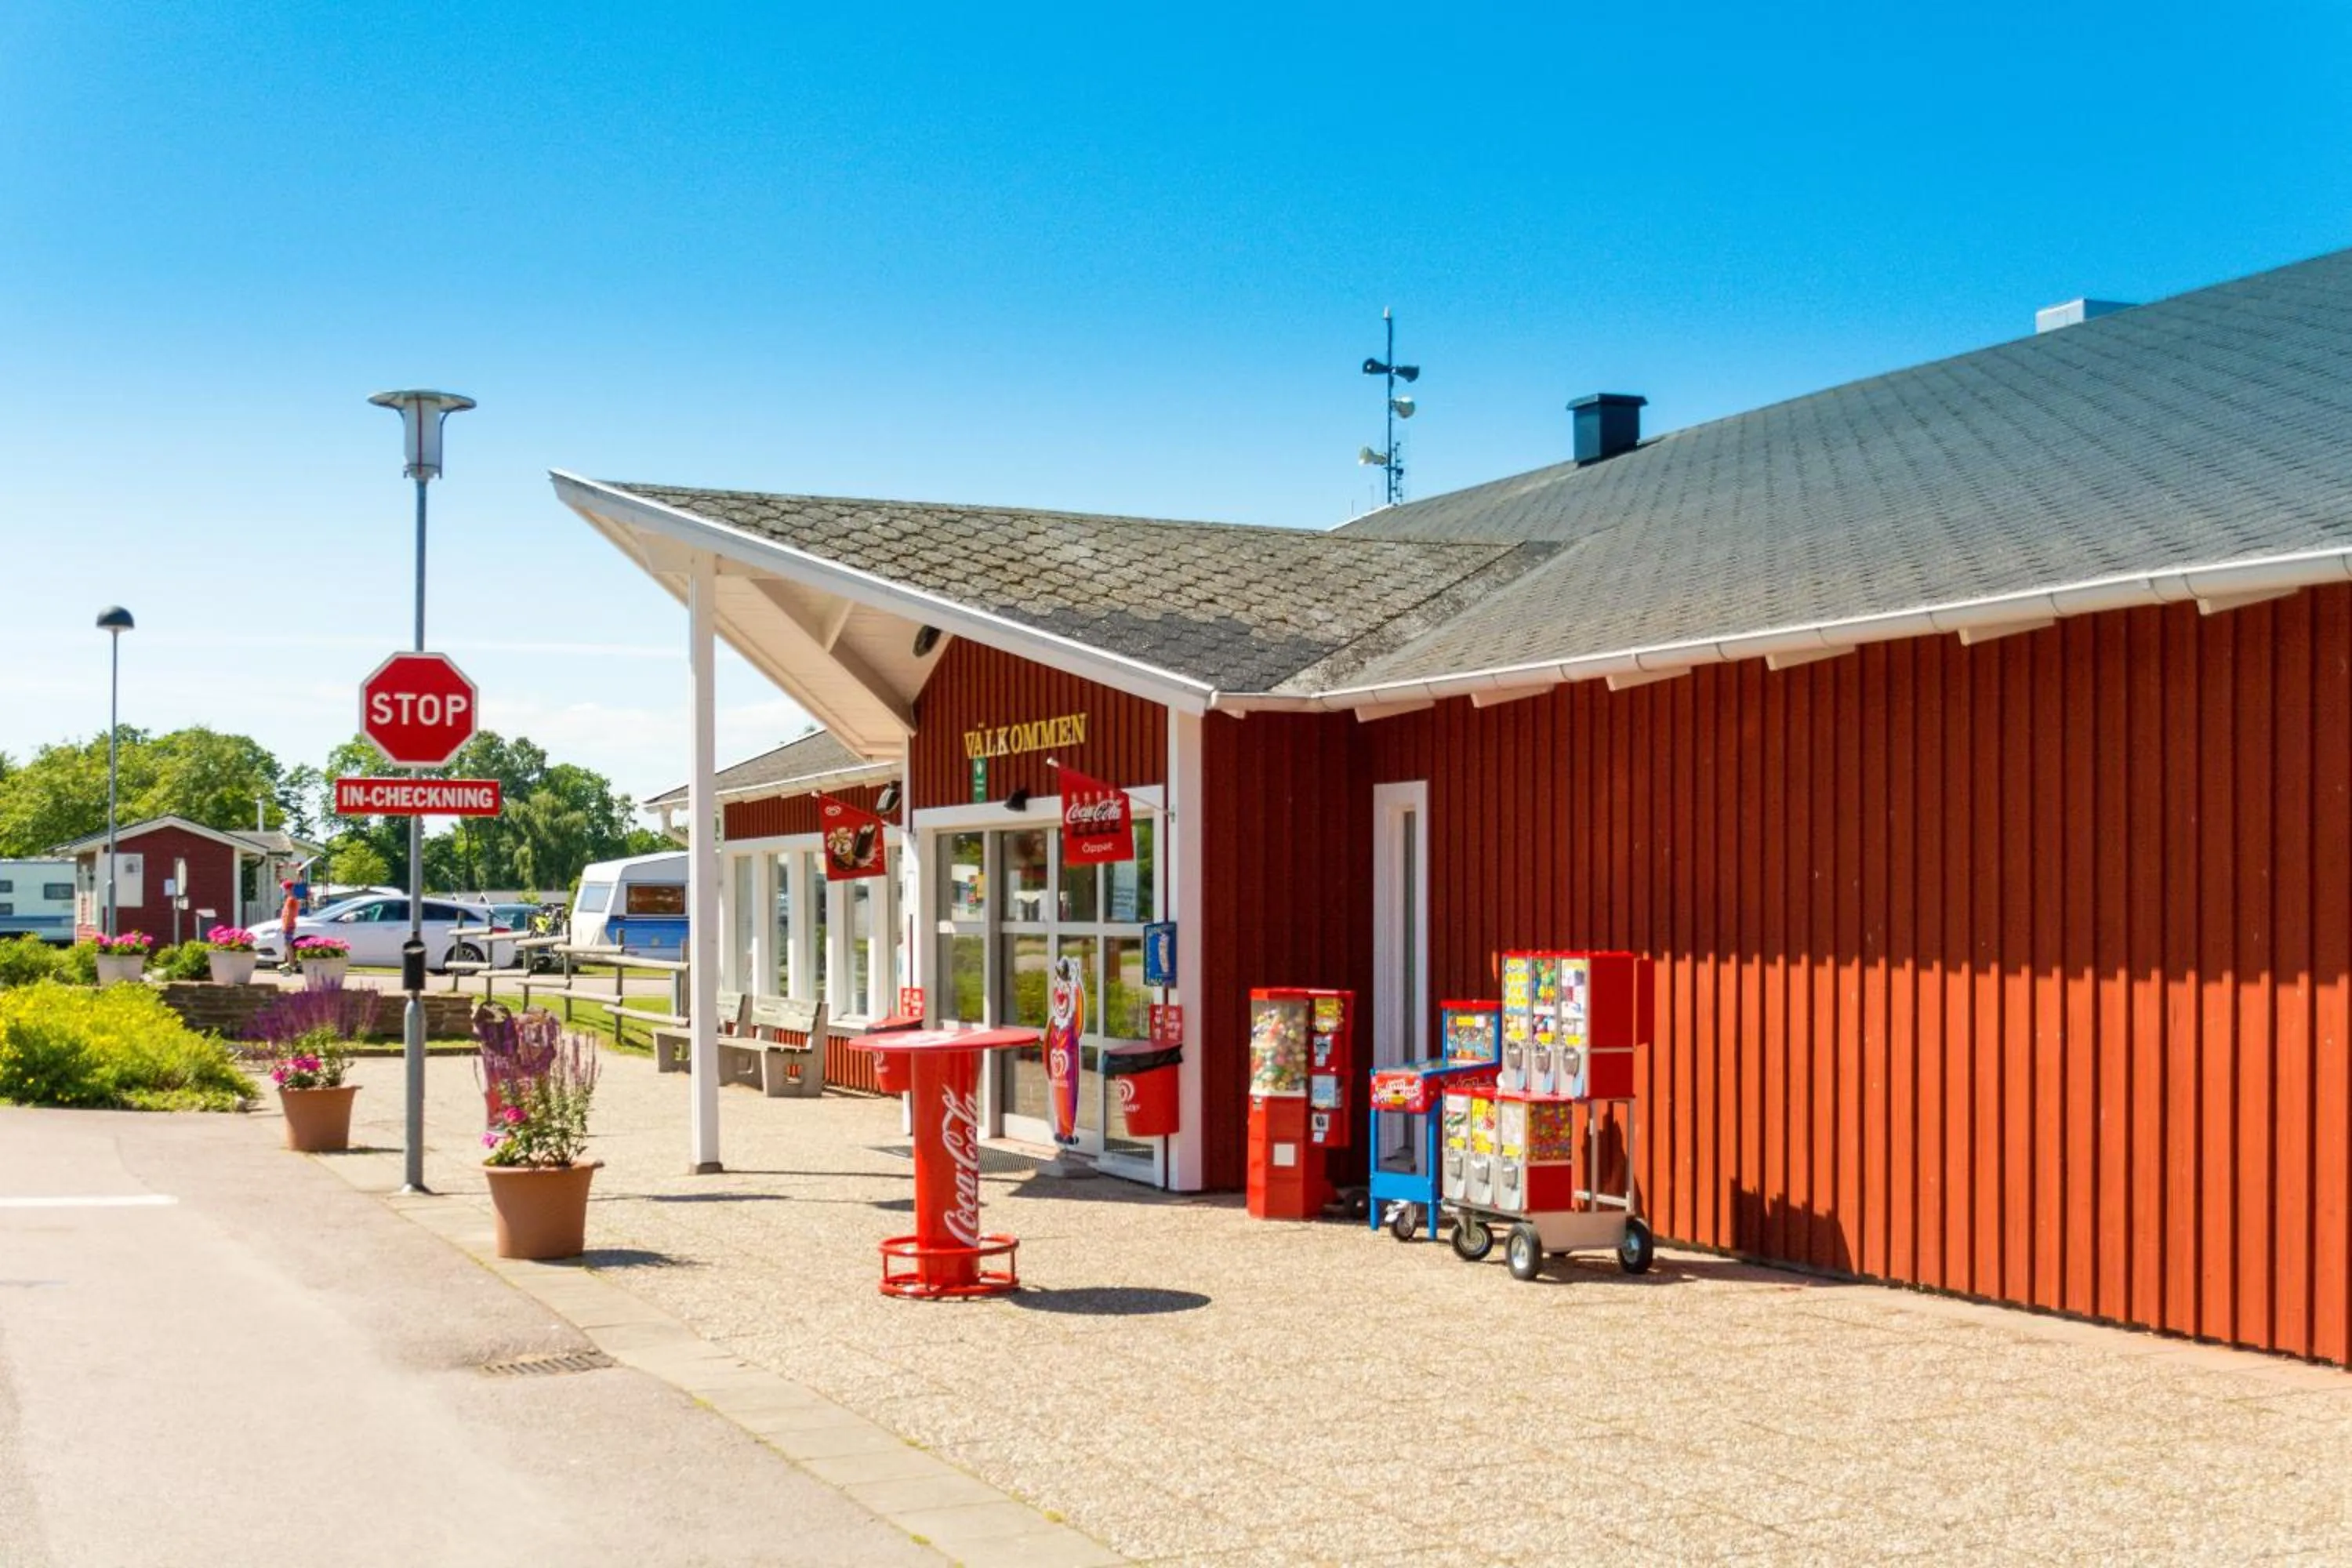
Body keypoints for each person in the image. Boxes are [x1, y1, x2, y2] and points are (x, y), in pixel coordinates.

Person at [278, 880, 300, 973]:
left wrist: (285, 926)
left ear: (288, 889)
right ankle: (291, 963)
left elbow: (289, 914)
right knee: (288, 944)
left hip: (289, 925)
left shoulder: (291, 900)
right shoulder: (292, 899)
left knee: (288, 945)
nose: (284, 891)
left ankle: (292, 964)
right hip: (290, 925)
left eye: (284, 889)